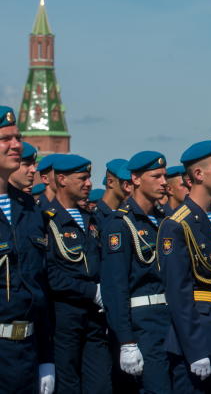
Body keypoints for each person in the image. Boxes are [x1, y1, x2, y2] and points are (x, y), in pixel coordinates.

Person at [158, 140, 211, 392]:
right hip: (199, 340)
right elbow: (178, 293)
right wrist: (195, 350)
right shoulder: (177, 225)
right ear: (198, 174)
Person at [101, 151, 171, 392]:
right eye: (156, 176)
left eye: (164, 176)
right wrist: (126, 340)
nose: (164, 182)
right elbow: (115, 286)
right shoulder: (119, 224)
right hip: (143, 323)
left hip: (170, 318)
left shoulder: (164, 221)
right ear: (136, 179)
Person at [44, 154, 112, 393]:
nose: (89, 184)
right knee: (68, 385)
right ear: (61, 179)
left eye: (89, 178)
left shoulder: (91, 219)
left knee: (101, 384)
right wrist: (92, 291)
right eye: (82, 178)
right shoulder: (46, 220)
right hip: (64, 315)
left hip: (95, 317)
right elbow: (50, 274)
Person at [0, 106, 55, 393]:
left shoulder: (30, 210)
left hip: (26, 352)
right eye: (5, 138)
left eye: (17, 137)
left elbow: (39, 287)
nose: (15, 145)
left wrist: (46, 358)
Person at [96, 159, 131, 231]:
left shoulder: (129, 215)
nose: (130, 187)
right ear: (110, 182)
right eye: (126, 182)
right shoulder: (95, 217)